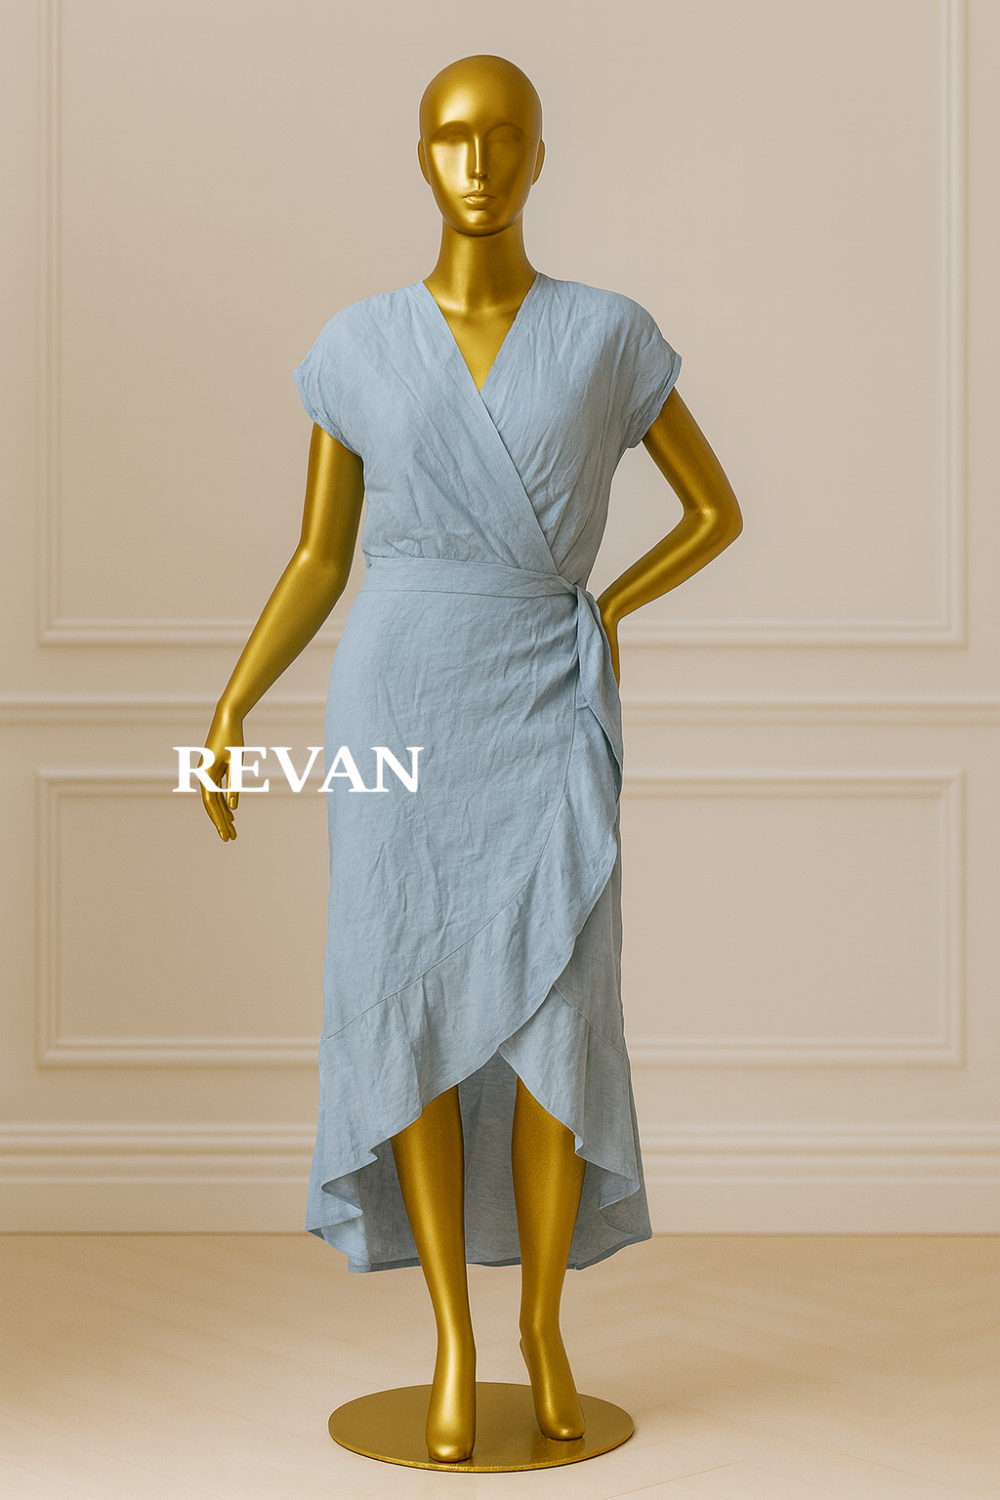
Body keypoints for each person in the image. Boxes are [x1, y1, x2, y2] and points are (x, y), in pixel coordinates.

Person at [199, 54, 742, 1464]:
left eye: (505, 137)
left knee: (559, 1006)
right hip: (398, 702)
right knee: (416, 1002)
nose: (479, 163)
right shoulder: (358, 345)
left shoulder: (607, 334)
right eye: (451, 137)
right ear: (420, 156)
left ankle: (546, 1326)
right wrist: (233, 707)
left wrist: (608, 609)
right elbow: (319, 557)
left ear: (542, 156)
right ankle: (450, 1333)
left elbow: (713, 510)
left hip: (545, 696)